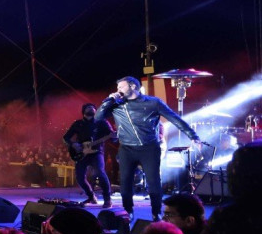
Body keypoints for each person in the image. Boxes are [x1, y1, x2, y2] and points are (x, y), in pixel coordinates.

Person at [95, 77, 201, 220]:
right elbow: (98, 117)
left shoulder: (153, 102)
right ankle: (128, 211)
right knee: (125, 183)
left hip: (149, 148)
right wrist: (109, 100)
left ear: (132, 86)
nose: (118, 90)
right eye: (117, 87)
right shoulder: (116, 104)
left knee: (153, 182)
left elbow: (174, 118)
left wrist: (192, 135)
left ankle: (156, 212)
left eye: (121, 86)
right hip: (127, 148)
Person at [62, 102, 113, 207]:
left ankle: (107, 199)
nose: (92, 109)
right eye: (89, 108)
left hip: (97, 152)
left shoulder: (102, 122)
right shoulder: (78, 123)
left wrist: (114, 136)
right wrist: (73, 144)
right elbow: (66, 137)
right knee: (80, 177)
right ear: (83, 111)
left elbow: (112, 134)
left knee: (100, 172)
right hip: (81, 153)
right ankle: (91, 196)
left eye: (93, 108)